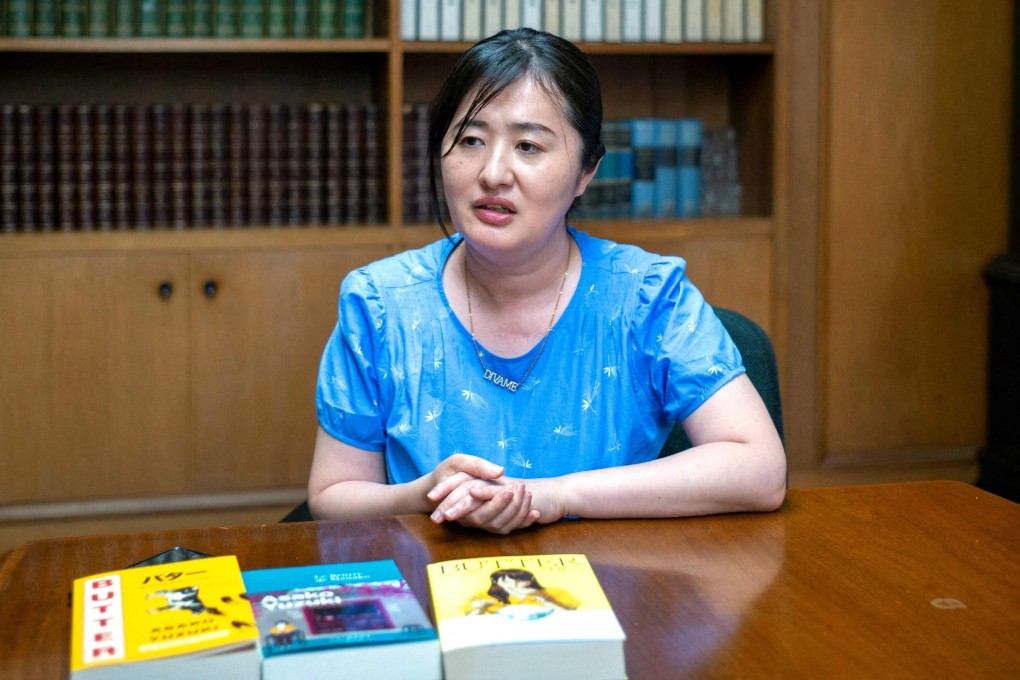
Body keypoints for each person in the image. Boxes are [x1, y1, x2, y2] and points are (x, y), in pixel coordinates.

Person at [308, 28, 786, 534]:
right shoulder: (380, 304)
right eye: (470, 139)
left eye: (529, 146)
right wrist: (422, 495)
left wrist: (559, 495)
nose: (493, 173)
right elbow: (332, 495)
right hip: (433, 587)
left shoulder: (648, 298)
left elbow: (759, 468)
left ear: (586, 171)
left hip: (615, 590)